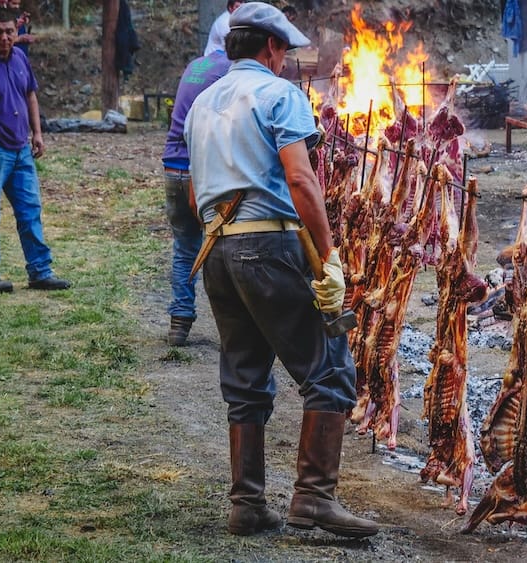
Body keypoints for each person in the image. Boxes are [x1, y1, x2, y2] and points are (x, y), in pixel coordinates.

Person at [184, 2, 378, 539]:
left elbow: (194, 188)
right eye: (284, 51)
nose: (286, 60)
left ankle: (247, 505)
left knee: (245, 377)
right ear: (270, 48)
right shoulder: (279, 94)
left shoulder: (202, 102)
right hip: (269, 245)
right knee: (330, 369)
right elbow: (301, 180)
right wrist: (330, 255)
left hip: (218, 251)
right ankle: (314, 499)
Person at [0, 8, 70, 294]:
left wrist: (37, 133)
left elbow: (30, 94)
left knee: (30, 211)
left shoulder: (20, 58)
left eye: (10, 31)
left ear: (16, 30)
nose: (5, 37)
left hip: (21, 149)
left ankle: (40, 272)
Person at [161, 49, 233, 346]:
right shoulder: (232, 73)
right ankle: (233, 324)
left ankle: (180, 321)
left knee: (184, 247)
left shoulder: (198, 64)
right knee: (223, 246)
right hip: (201, 170)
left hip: (173, 166)